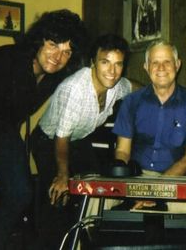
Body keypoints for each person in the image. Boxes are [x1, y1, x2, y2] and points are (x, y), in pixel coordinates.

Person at [0, 9, 88, 250]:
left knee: (21, 192)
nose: (58, 56)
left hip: (1, 130)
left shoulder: (53, 75)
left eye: (67, 51)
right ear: (39, 40)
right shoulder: (6, 60)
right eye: (54, 44)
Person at [30, 33, 140, 249]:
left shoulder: (116, 84)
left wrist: (154, 89)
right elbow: (61, 138)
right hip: (49, 140)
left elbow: (133, 86)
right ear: (93, 63)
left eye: (118, 64)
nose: (112, 71)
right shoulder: (74, 89)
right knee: (58, 197)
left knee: (95, 188)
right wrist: (63, 175)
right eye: (105, 62)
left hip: (78, 139)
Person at [112, 39, 186, 212]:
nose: (161, 68)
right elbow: (122, 151)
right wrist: (129, 184)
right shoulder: (131, 102)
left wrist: (157, 188)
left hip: (174, 177)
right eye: (155, 62)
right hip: (134, 176)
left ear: (177, 65)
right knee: (95, 203)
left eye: (167, 62)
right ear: (146, 67)